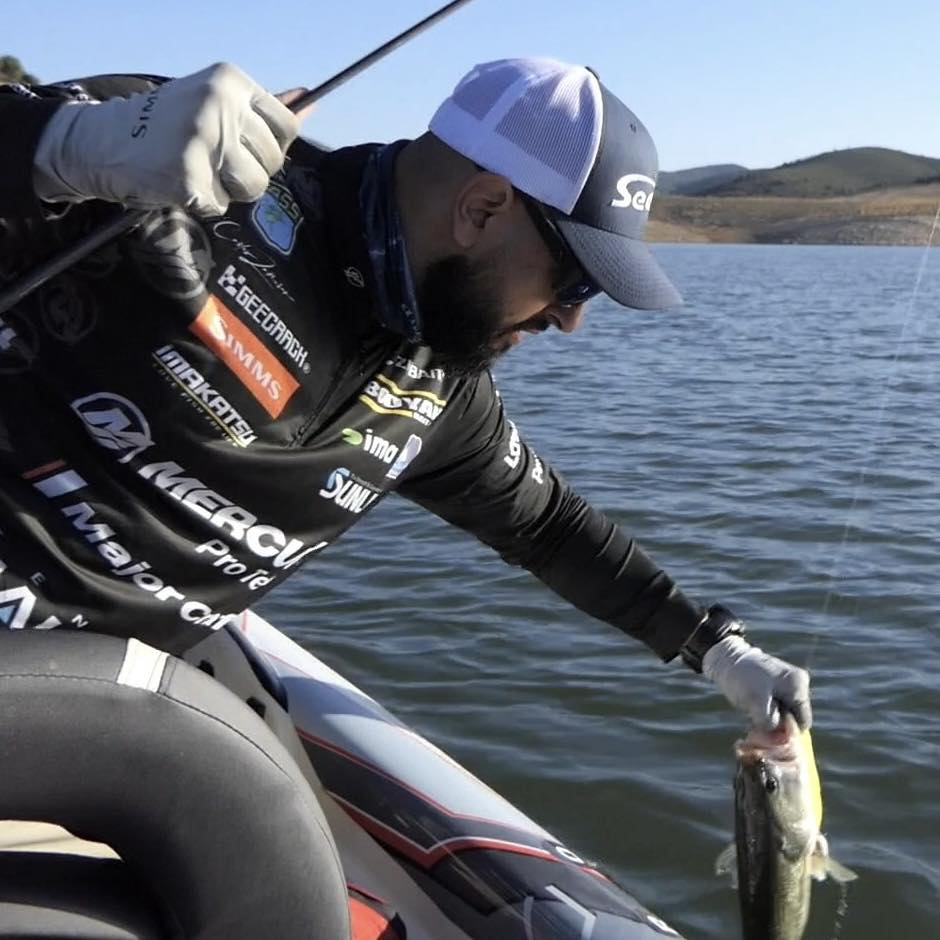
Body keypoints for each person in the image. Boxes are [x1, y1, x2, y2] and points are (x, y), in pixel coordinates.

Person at [0, 55, 810, 927]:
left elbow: (547, 527)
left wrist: (714, 647)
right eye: (574, 281)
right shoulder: (173, 168)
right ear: (482, 207)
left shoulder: (439, 391)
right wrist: (60, 148)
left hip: (89, 713)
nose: (572, 320)